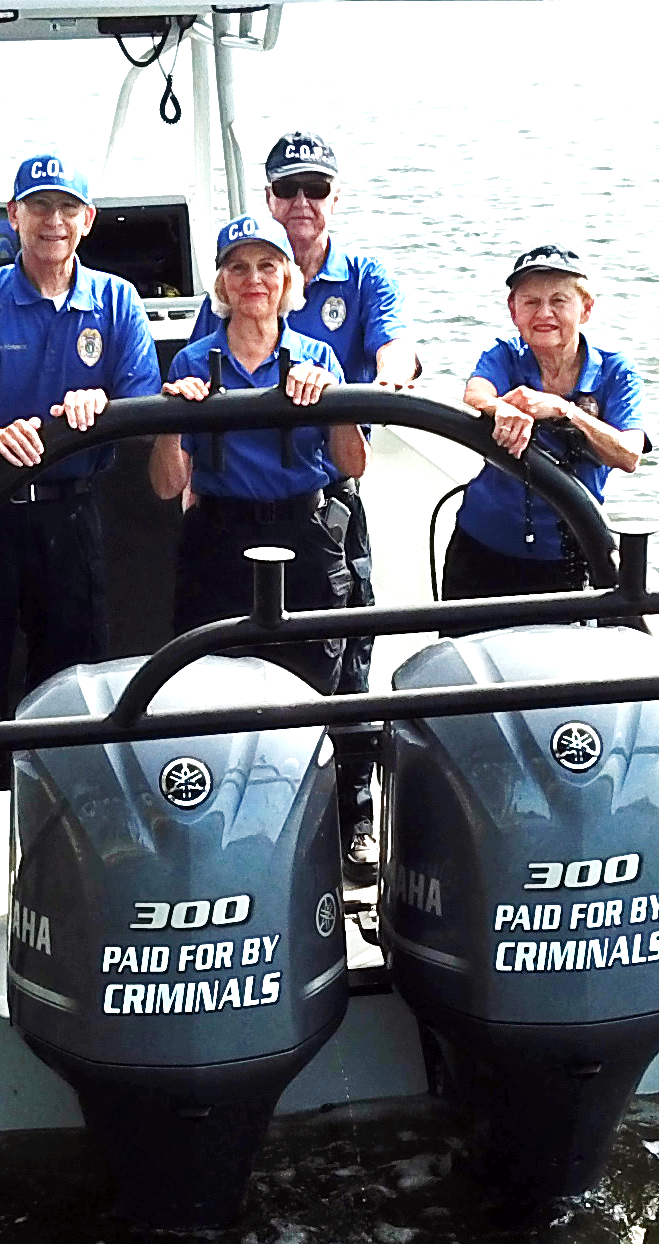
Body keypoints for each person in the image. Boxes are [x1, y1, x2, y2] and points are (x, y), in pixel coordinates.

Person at [190, 131, 418, 877]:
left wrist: (368, 388)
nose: (300, 203)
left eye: (314, 190)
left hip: (327, 493)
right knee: (225, 657)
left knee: (344, 658)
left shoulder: (362, 279)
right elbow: (201, 377)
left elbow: (395, 347)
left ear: (333, 199)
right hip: (237, 511)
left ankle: (351, 818)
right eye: (287, 190)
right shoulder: (221, 309)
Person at [0, 154, 159, 700]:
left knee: (76, 677)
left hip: (75, 512)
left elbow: (146, 416)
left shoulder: (117, 301)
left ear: (88, 220)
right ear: (13, 215)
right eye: (39, 206)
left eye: (67, 207)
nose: (53, 221)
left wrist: (103, 406)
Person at [151, 214, 369, 696]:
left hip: (304, 536)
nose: (254, 280)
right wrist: (171, 421)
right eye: (238, 268)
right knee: (212, 688)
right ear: (222, 286)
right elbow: (167, 486)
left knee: (311, 685)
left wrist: (336, 401)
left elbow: (354, 466)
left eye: (267, 266)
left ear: (287, 279)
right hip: (218, 541)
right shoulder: (190, 363)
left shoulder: (319, 358)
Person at [450, 242, 648, 599]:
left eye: (558, 301)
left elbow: (629, 455)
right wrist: (503, 409)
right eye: (531, 302)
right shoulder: (505, 355)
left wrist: (564, 410)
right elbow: (474, 394)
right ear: (513, 311)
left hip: (571, 555)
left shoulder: (617, 372)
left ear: (586, 309)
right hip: (482, 547)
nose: (544, 314)